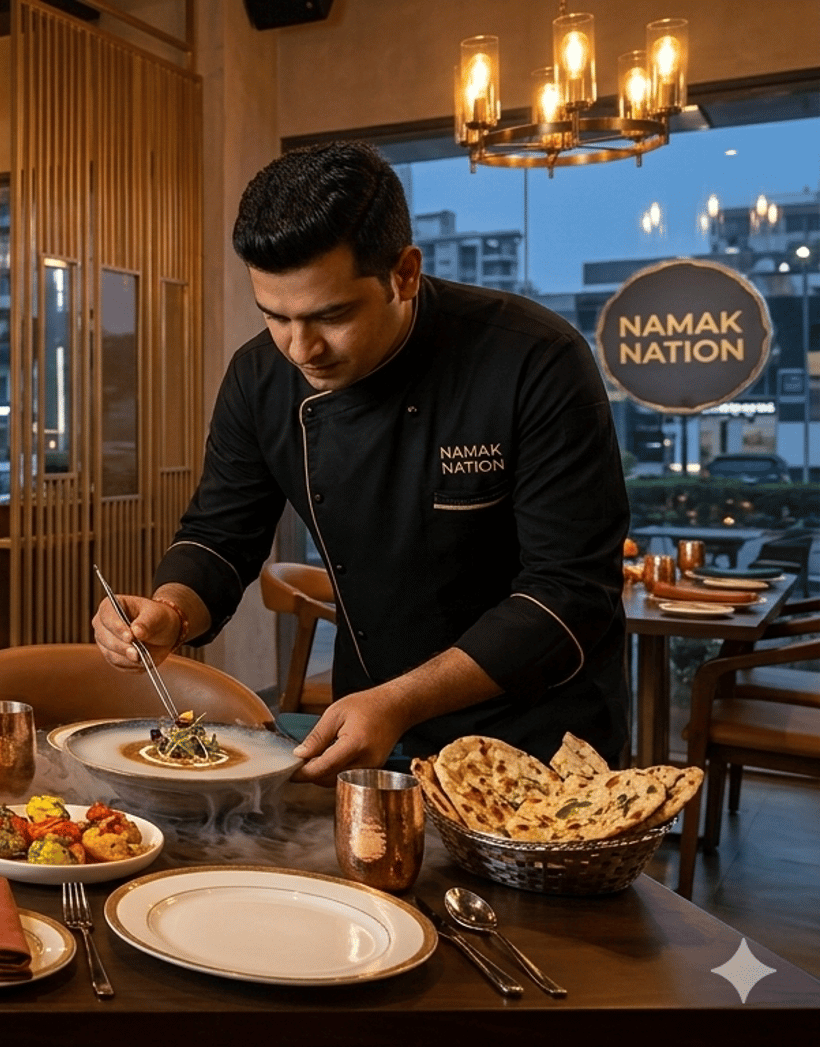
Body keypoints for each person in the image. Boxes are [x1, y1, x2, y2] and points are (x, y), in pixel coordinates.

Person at [91, 141, 629, 785]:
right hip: (366, 725)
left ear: (404, 273)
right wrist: (170, 611)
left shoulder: (532, 359)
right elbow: (220, 536)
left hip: (538, 737)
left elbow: (569, 592)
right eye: (276, 317)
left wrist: (401, 701)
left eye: (331, 316)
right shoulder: (260, 377)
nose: (302, 348)